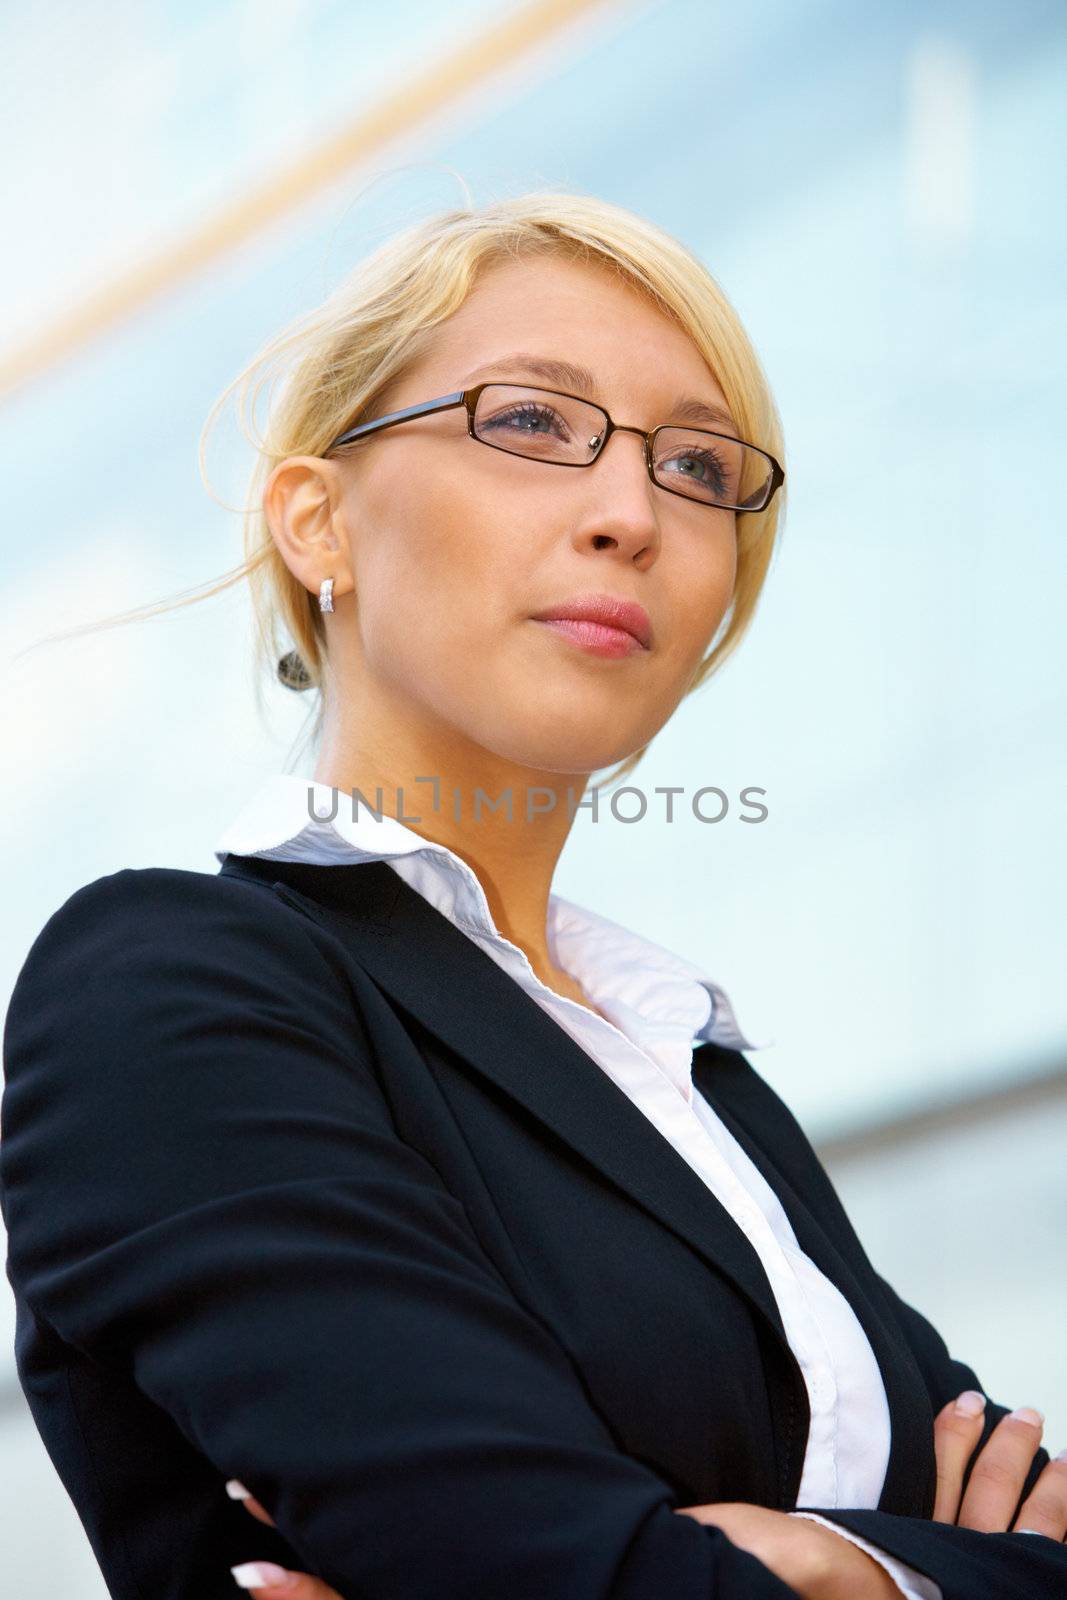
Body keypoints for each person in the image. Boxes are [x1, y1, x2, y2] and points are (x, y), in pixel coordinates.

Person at [1, 191, 1063, 1600]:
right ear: (319, 522)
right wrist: (929, 1569)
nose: (631, 512)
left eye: (699, 467)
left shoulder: (689, 1073)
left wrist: (821, 1562)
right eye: (528, 424)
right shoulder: (169, 989)